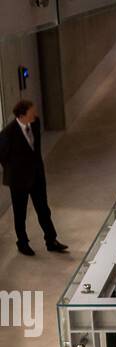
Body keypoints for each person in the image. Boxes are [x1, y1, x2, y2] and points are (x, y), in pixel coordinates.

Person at [0, 98, 68, 256]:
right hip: (18, 181)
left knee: (43, 209)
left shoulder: (35, 123)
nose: (35, 113)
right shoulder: (8, 133)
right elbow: (2, 156)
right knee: (20, 213)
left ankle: (51, 240)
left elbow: (35, 150)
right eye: (32, 111)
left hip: (36, 176)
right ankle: (22, 243)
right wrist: (14, 172)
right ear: (23, 115)